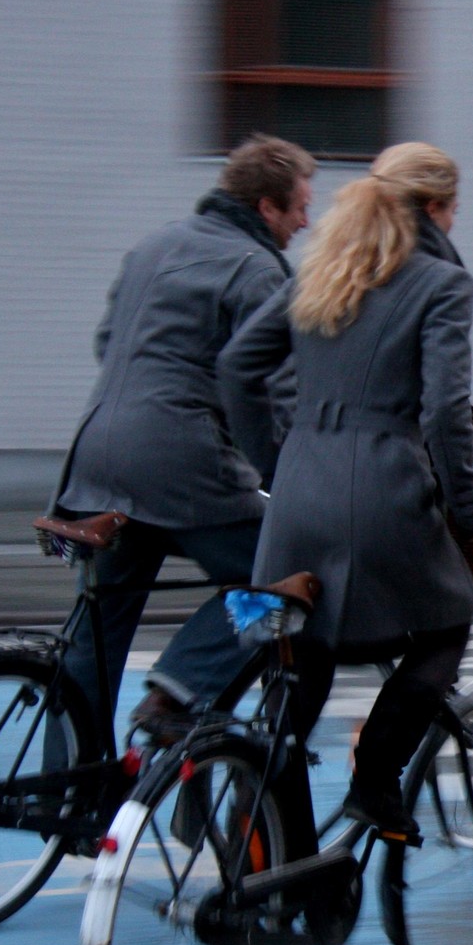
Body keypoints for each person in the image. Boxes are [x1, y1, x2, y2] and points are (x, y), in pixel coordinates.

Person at [216, 141, 473, 833]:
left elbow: (236, 367)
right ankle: (374, 777)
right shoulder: (441, 284)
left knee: (298, 670)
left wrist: (276, 463)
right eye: (455, 210)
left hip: (296, 501)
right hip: (381, 497)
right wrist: (472, 512)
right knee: (449, 621)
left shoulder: (323, 270)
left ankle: (274, 857)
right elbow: (443, 415)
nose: (455, 223)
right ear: (434, 208)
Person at [50, 134, 315, 749]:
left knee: (98, 629)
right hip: (181, 462)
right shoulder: (257, 270)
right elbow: (267, 385)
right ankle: (179, 687)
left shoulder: (154, 246)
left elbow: (108, 343)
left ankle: (65, 788)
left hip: (96, 456)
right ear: (266, 207)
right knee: (285, 573)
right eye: (300, 207)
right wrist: (285, 472)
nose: (306, 222)